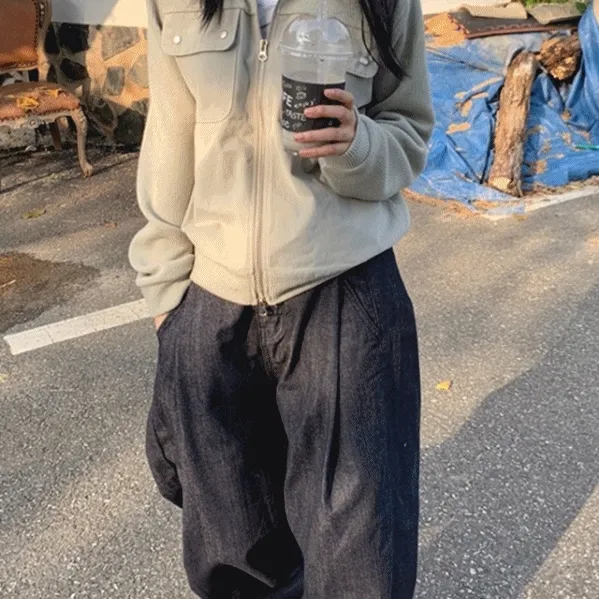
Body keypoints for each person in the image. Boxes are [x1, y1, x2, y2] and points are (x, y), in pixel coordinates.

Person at [129, 0, 434, 597]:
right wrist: (167, 301)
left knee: (360, 555)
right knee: (234, 549)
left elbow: (410, 130)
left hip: (345, 293)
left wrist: (358, 145)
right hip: (211, 300)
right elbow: (169, 136)